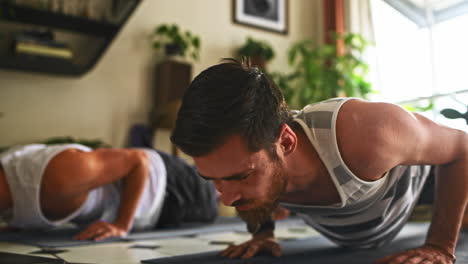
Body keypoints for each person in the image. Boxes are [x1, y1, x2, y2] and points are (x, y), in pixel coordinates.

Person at [171, 59, 468, 263]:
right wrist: (263, 233)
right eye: (214, 180)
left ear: (286, 142)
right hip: (365, 217)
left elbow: (462, 148)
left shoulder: (368, 133)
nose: (227, 198)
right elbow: (234, 182)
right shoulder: (252, 163)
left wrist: (440, 245)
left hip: (419, 189)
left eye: (241, 176)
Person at [0, 143, 218, 241]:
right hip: (151, 215)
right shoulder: (10, 181)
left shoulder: (57, 176)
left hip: (164, 184)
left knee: (217, 195)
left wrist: (121, 225)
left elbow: (138, 161)